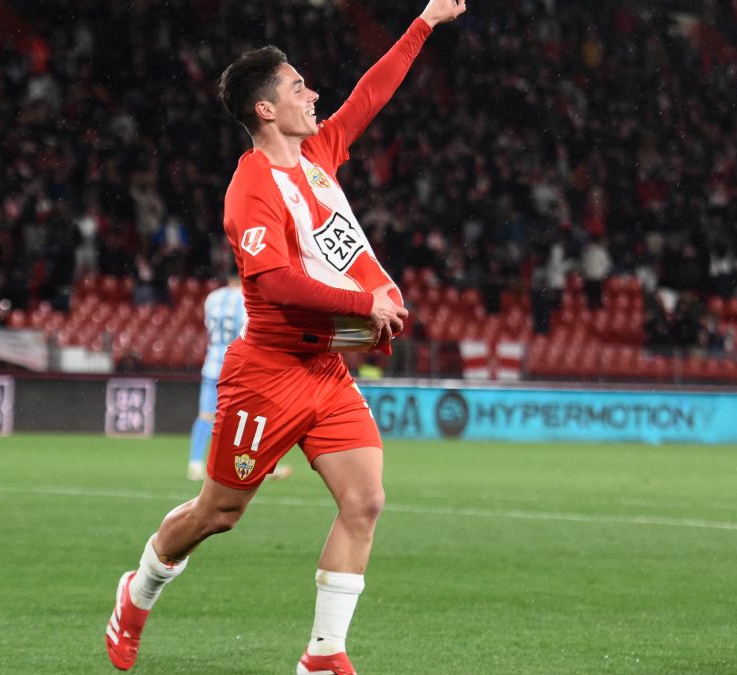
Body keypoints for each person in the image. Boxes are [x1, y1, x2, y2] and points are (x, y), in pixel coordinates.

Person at [105, 2, 467, 673]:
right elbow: (274, 284)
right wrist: (363, 302)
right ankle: (138, 590)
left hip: (324, 369)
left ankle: (323, 655)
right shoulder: (249, 190)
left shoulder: (317, 154)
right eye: (299, 87)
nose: (314, 95)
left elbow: (369, 96)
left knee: (365, 499)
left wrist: (424, 21)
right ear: (266, 109)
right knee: (217, 513)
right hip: (267, 374)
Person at [187, 274, 291, 482]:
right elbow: (249, 331)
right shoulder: (247, 297)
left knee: (206, 416)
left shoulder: (213, 297)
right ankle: (258, 466)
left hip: (212, 365)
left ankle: (195, 464)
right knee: (252, 417)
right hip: (238, 365)